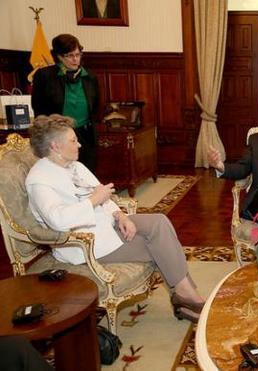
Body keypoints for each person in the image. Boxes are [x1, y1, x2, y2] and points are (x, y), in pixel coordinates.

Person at [25, 115, 204, 323]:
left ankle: (185, 297)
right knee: (159, 246)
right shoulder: (39, 181)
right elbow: (58, 219)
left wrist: (120, 215)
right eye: (73, 140)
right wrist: (94, 200)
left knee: (159, 222)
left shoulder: (74, 166)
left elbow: (103, 195)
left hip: (105, 225)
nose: (80, 144)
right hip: (84, 242)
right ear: (55, 146)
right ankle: (189, 298)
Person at [31, 34, 99, 172]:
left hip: (85, 133)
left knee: (86, 171)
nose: (75, 59)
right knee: (62, 171)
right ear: (59, 56)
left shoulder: (90, 77)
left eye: (78, 54)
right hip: (57, 135)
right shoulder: (44, 76)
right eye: (69, 55)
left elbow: (96, 105)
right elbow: (38, 107)